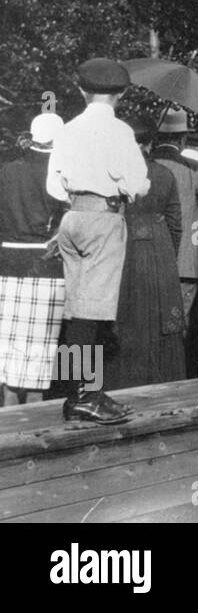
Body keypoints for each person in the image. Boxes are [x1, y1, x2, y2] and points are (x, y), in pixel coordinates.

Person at [46, 58, 150, 424]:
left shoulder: (68, 129)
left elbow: (53, 185)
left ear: (80, 90)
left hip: (71, 216)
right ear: (121, 94)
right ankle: (84, 395)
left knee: (76, 310)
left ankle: (78, 391)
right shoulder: (120, 132)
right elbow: (136, 184)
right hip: (103, 217)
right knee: (91, 313)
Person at [105, 120, 187, 389]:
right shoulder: (164, 174)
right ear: (151, 144)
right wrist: (167, 254)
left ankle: (114, 380)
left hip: (123, 244)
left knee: (125, 313)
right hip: (159, 246)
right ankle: (162, 379)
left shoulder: (114, 174)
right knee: (160, 315)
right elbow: (176, 222)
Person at [150, 108, 198, 377]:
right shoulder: (196, 171)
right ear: (183, 139)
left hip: (145, 258)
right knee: (177, 323)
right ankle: (174, 377)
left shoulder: (143, 166)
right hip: (187, 262)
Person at [0, 114, 66, 406]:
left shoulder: (8, 171)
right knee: (41, 353)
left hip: (9, 263)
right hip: (46, 264)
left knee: (10, 355)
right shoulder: (61, 172)